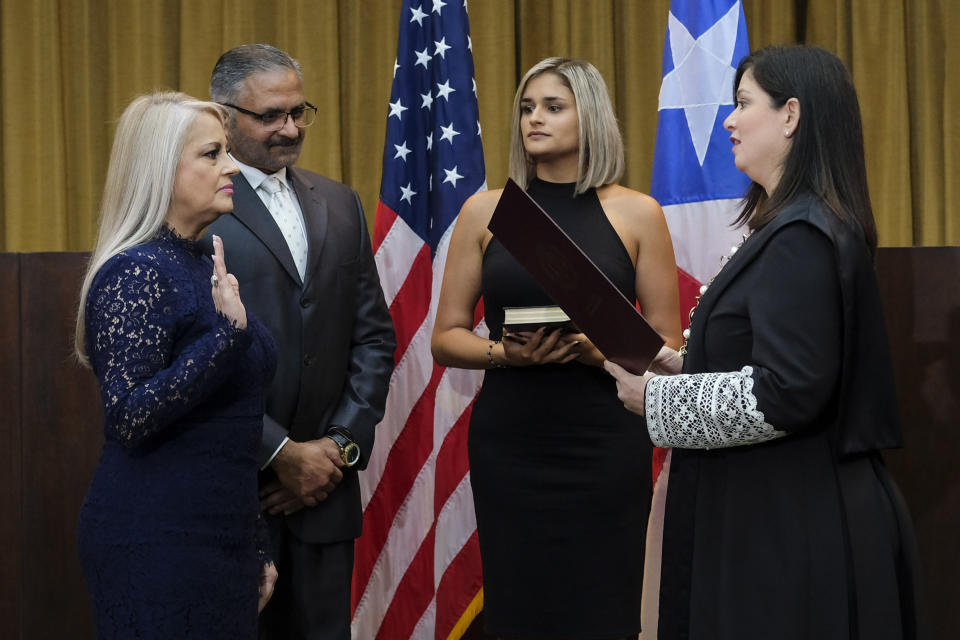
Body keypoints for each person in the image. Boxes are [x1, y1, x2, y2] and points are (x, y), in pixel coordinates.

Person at [605, 45, 926, 639]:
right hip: (777, 517)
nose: (728, 119)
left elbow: (786, 393)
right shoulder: (794, 226)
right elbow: (773, 363)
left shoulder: (802, 235)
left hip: (792, 533)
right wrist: (685, 364)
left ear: (791, 116)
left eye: (743, 103)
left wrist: (657, 403)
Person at [432, 57, 682, 639]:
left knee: (605, 601)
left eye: (552, 107)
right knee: (520, 606)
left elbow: (668, 344)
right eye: (526, 108)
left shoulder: (638, 212)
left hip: (605, 438)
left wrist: (597, 353)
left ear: (589, 117)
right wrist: (504, 355)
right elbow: (445, 337)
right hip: (512, 440)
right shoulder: (487, 211)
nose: (533, 120)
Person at [204, 44, 395, 639]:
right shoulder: (194, 205)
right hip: (234, 492)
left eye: (299, 112)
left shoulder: (340, 203)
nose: (290, 129)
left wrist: (334, 450)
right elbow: (187, 357)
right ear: (224, 116)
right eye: (271, 116)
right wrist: (281, 455)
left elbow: (372, 339)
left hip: (326, 500)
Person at [75, 92, 278, 639]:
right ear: (163, 169)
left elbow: (231, 430)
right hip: (156, 541)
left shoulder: (198, 260)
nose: (232, 166)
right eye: (212, 154)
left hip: (222, 541)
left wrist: (255, 542)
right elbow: (128, 417)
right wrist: (227, 339)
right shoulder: (135, 272)